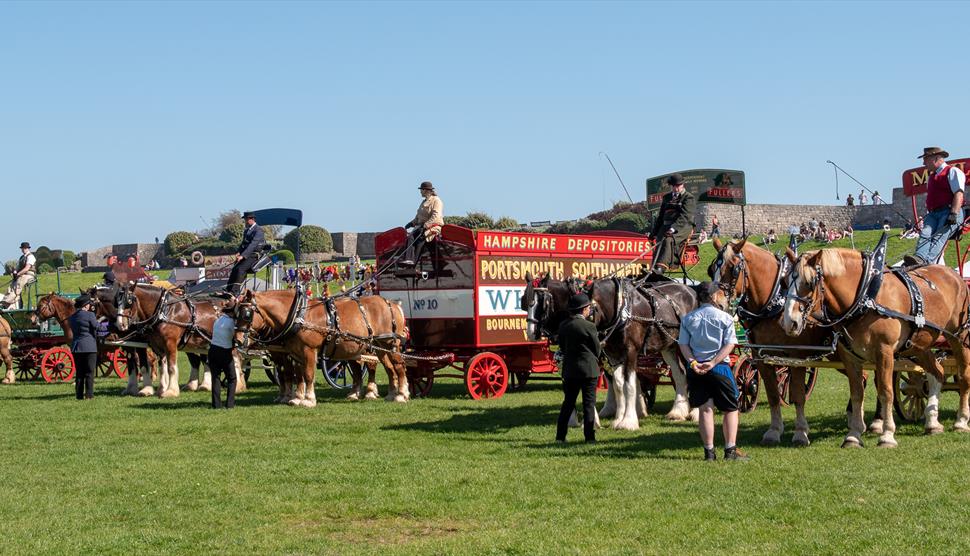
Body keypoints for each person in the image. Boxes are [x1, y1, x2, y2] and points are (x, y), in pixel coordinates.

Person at [678, 282, 748, 461]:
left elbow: (683, 345)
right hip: (719, 368)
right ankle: (730, 450)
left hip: (696, 369)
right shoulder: (725, 318)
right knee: (731, 409)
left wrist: (693, 362)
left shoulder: (688, 319)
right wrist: (713, 362)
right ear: (715, 296)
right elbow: (730, 344)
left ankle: (709, 452)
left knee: (705, 409)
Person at [907, 147, 966, 266]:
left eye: (926, 159)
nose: (924, 163)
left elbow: (958, 193)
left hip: (949, 211)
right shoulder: (931, 177)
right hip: (934, 213)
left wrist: (954, 213)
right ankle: (919, 258)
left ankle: (926, 263)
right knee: (925, 234)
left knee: (938, 237)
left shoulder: (952, 171)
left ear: (936, 158)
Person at [555, 293, 601, 444]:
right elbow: (597, 350)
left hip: (570, 370)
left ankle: (560, 437)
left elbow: (562, 346)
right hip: (589, 370)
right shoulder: (589, 326)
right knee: (589, 404)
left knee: (568, 403)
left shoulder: (563, 325)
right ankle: (589, 437)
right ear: (584, 309)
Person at [648, 174, 696, 274]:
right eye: (674, 186)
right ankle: (653, 268)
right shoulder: (666, 198)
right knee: (659, 240)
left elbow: (685, 216)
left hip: (683, 227)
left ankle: (661, 268)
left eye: (678, 185)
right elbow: (660, 217)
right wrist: (653, 234)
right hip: (666, 226)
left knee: (668, 239)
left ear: (683, 185)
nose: (676, 188)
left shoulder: (688, 198)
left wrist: (673, 228)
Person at [401, 181, 444, 267]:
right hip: (422, 226)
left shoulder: (436, 201)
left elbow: (436, 216)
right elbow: (418, 217)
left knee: (420, 238)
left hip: (434, 227)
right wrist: (411, 223)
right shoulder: (423, 202)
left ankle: (414, 262)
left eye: (421, 190)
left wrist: (426, 225)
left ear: (425, 190)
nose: (420, 192)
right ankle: (408, 259)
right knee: (410, 237)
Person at [227, 211, 266, 295]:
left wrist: (243, 256)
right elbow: (243, 244)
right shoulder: (247, 230)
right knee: (235, 269)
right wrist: (238, 252)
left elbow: (253, 245)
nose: (245, 221)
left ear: (252, 219)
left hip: (253, 255)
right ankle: (228, 290)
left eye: (246, 219)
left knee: (241, 269)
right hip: (246, 254)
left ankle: (234, 291)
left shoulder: (258, 230)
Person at [68, 294, 99, 400]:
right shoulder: (90, 315)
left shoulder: (72, 317)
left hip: (77, 347)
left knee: (79, 373)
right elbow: (96, 327)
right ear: (86, 306)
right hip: (89, 346)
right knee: (89, 372)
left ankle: (79, 395)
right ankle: (89, 395)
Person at [208, 306, 238, 409]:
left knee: (215, 378)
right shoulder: (231, 323)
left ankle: (216, 405)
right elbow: (236, 337)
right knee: (232, 378)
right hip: (225, 351)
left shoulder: (218, 320)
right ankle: (230, 404)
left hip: (212, 350)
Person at [2, 242, 37, 310]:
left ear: (28, 248)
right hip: (22, 275)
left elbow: (27, 268)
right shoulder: (22, 257)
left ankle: (6, 303)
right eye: (22, 248)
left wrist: (18, 274)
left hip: (29, 275)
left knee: (18, 285)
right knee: (11, 286)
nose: (23, 249)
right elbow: (17, 268)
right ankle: (4, 302)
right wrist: (14, 272)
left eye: (25, 248)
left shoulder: (31, 256)